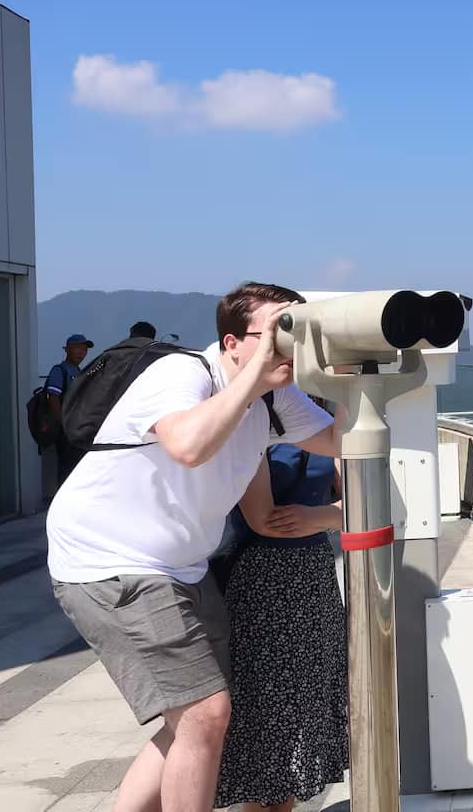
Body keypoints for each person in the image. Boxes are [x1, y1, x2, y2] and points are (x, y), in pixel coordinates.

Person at [46, 282, 340, 812]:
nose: (288, 347)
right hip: (112, 561)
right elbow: (187, 445)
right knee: (205, 713)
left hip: (182, 568)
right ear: (231, 343)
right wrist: (255, 377)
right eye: (277, 333)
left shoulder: (276, 395)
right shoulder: (184, 374)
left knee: (195, 717)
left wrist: (355, 372)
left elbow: (340, 442)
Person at [214, 418, 348, 811]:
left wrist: (315, 518)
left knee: (302, 706)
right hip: (258, 580)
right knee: (263, 707)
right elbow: (264, 520)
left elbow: (372, 500)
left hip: (312, 579)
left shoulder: (324, 425)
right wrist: (331, 515)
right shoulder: (247, 421)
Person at [45, 333, 94, 486]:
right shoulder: (60, 370)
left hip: (78, 430)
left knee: (78, 472)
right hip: (66, 432)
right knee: (67, 471)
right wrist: (64, 425)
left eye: (84, 349)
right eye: (77, 348)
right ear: (67, 350)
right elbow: (52, 398)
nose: (81, 352)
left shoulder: (79, 371)